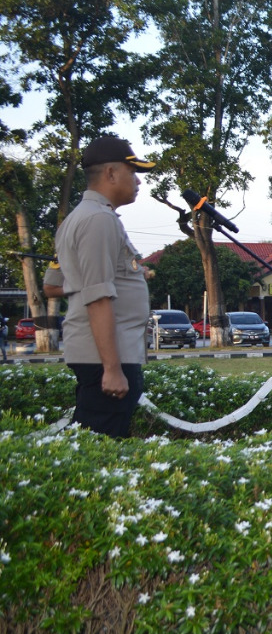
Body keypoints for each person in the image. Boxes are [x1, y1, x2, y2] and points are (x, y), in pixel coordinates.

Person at [54, 136, 156, 438]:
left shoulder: (91, 216)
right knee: (100, 443)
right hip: (105, 360)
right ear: (111, 173)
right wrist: (112, 369)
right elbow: (98, 297)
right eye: (132, 172)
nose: (138, 181)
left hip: (104, 355)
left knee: (99, 440)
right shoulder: (98, 220)